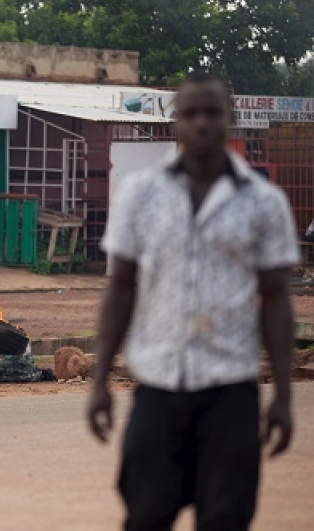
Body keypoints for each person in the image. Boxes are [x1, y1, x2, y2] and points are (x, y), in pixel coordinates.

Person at [88, 72, 300, 531]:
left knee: (225, 519)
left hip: (232, 393)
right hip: (158, 389)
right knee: (146, 516)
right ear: (175, 120)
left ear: (231, 119)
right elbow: (120, 288)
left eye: (212, 112)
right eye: (191, 113)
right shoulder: (140, 195)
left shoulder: (264, 203)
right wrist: (100, 378)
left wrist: (283, 394)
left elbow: (277, 299)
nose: (202, 122)